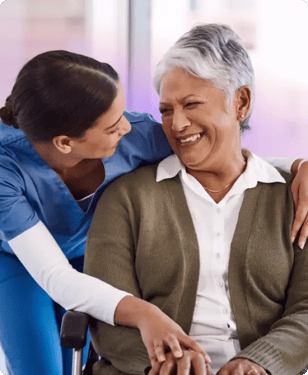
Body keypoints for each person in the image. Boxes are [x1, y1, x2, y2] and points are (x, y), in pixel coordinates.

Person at [84, 24, 308, 375]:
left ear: (241, 103)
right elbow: (107, 312)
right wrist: (169, 362)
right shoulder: (127, 198)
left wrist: (258, 363)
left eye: (191, 104)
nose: (177, 124)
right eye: (167, 110)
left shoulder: (295, 197)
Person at [0, 51, 207, 375]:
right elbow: (56, 277)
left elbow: (219, 160)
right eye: (112, 126)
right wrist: (145, 314)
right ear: (65, 143)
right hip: (19, 262)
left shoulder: (138, 135)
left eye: (122, 113)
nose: (127, 126)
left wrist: (296, 168)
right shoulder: (5, 166)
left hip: (93, 253)